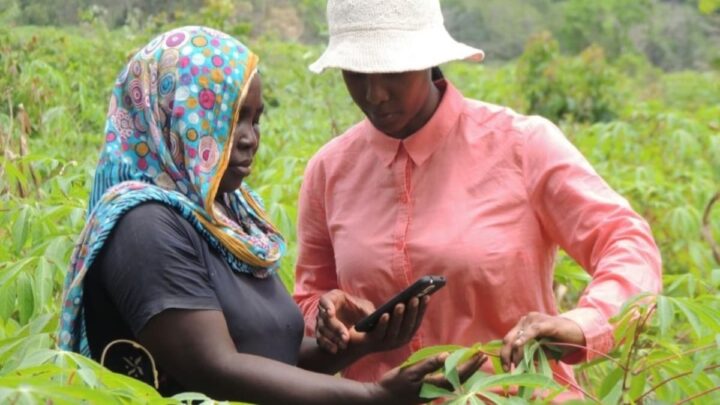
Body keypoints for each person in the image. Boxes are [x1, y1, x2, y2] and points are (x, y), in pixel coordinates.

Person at [58, 26, 484, 404]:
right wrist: (373, 396)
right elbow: (216, 369)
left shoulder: (226, 215)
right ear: (173, 116)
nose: (249, 140)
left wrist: (362, 344)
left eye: (256, 120)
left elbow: (269, 352)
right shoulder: (144, 224)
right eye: (231, 120)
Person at [292, 0, 662, 397]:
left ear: (428, 59)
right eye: (357, 72)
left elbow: (627, 241)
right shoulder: (329, 170)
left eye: (393, 71)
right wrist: (328, 316)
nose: (375, 93)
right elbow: (307, 302)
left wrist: (584, 323)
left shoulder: (522, 145)